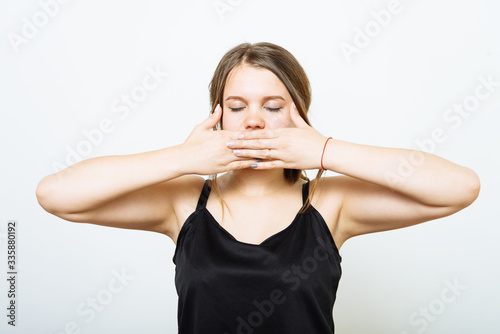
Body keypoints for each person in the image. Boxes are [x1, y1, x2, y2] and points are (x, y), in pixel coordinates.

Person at [36, 42, 480, 334]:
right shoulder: (184, 201)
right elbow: (56, 194)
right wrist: (182, 158)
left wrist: (324, 149)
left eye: (273, 106)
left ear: (298, 114)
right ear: (219, 116)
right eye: (237, 106)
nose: (253, 120)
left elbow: (459, 187)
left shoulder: (329, 203)